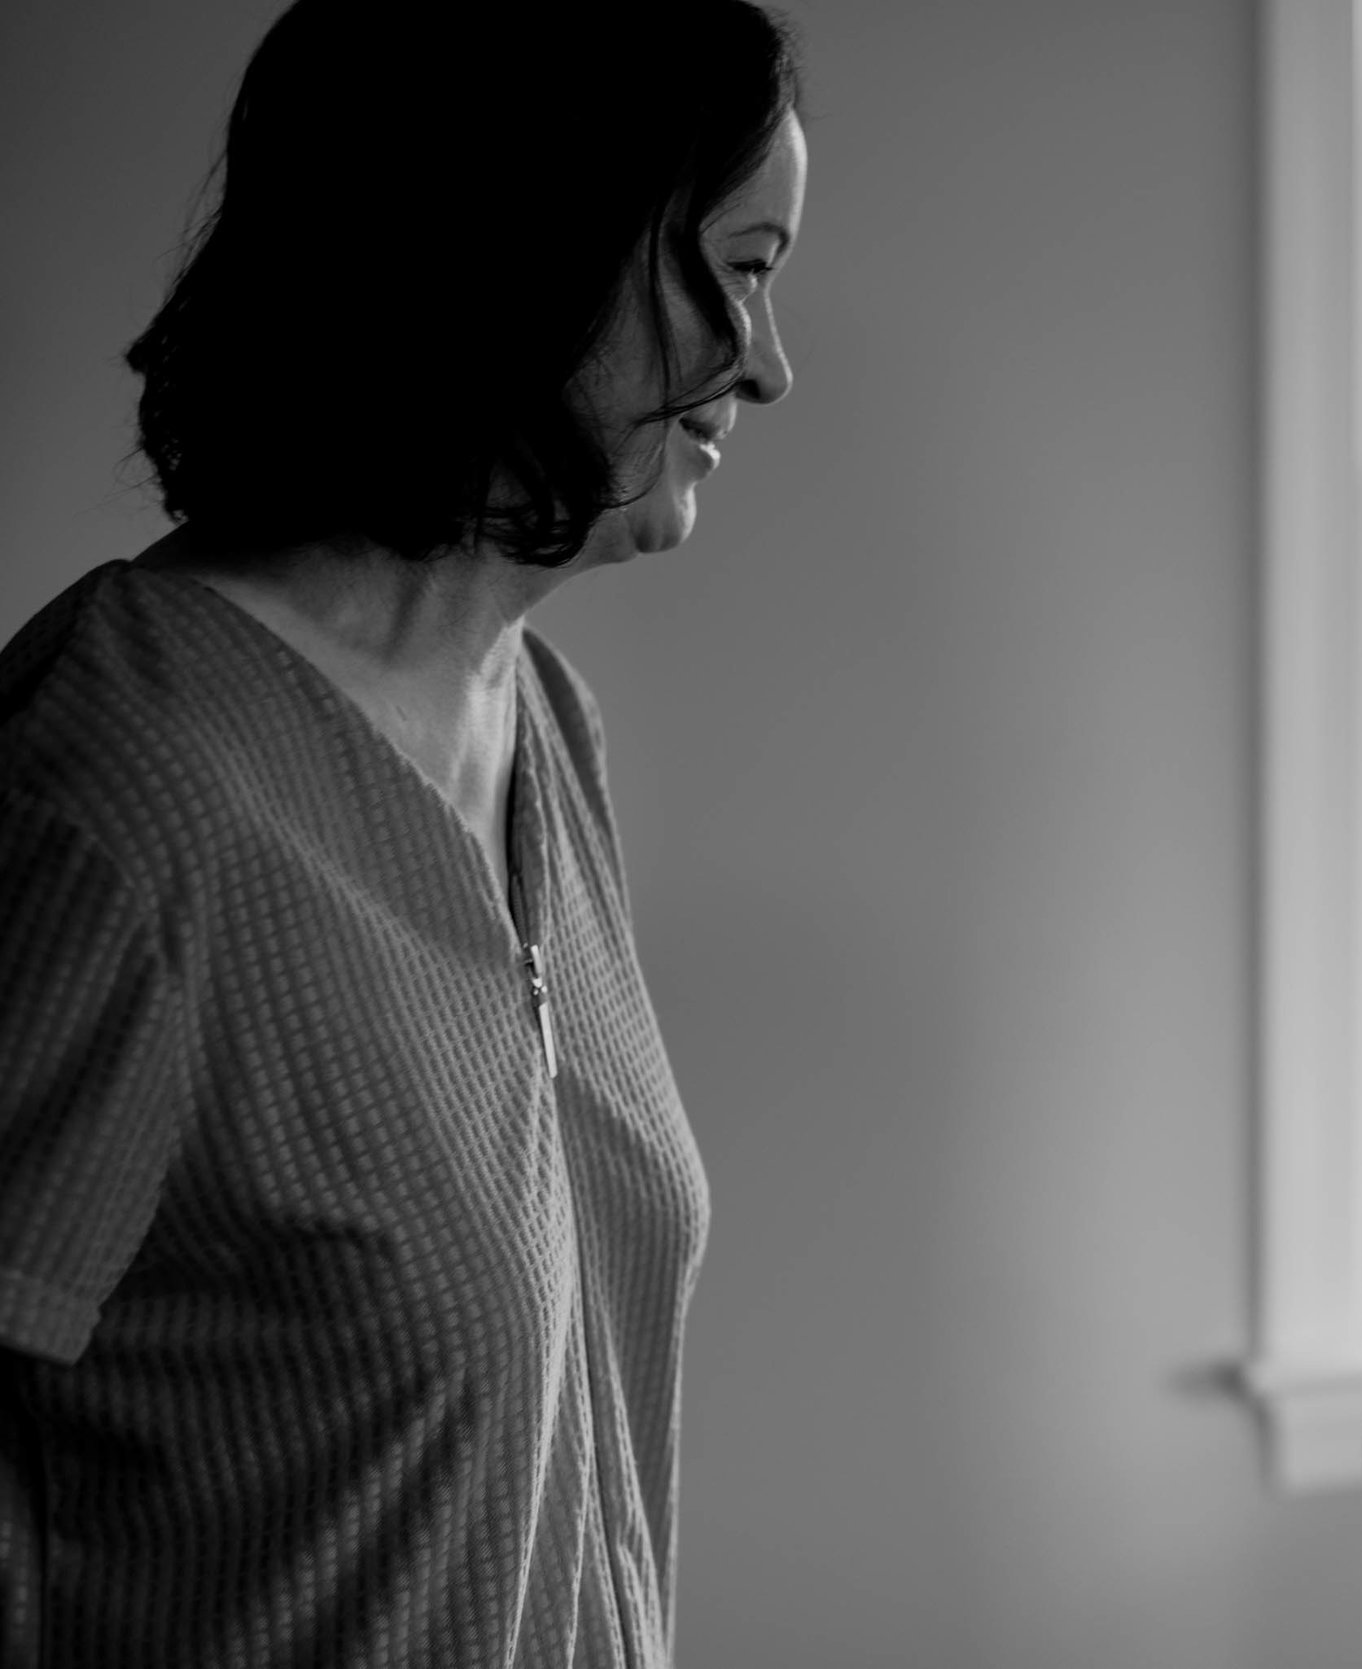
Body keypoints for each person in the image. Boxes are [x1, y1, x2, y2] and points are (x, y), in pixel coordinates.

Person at [0, 1, 805, 1661]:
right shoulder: (122, 785)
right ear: (527, 249)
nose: (768, 361)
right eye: (735, 266)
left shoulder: (548, 724)